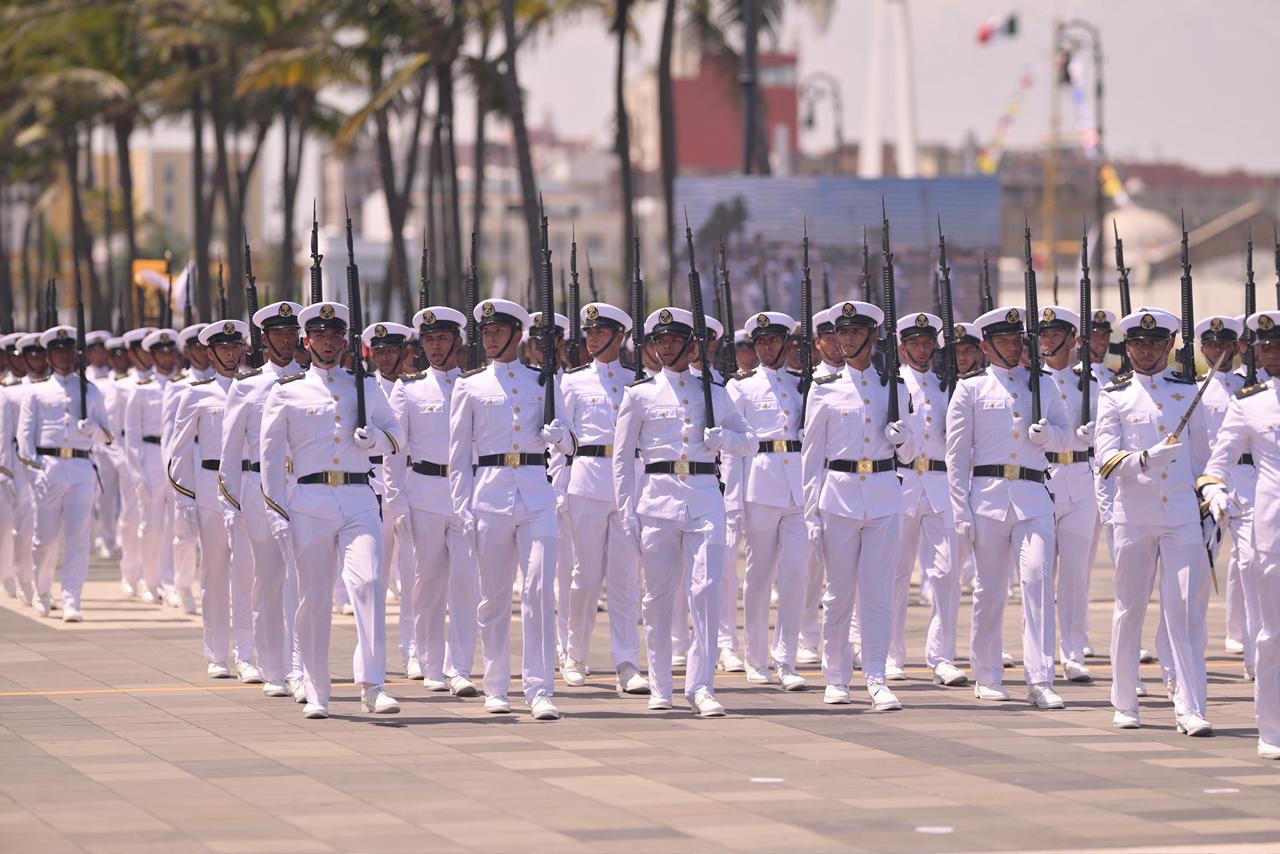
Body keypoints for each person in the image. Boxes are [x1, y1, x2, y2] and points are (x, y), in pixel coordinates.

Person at [261, 301, 404, 719]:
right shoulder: (286, 391)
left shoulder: (366, 386)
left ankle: (373, 685)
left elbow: (397, 435)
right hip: (310, 500)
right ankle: (316, 689)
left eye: (334, 335)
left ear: (344, 341)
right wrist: (276, 512)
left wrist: (375, 440)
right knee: (313, 597)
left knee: (370, 583)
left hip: (359, 496)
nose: (327, 342)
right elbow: (269, 457)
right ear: (306, 342)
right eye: (319, 335)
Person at [613, 307, 755, 716]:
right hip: (657, 501)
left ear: (692, 347)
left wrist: (723, 438)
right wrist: (627, 511)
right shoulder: (639, 394)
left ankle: (701, 686)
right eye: (661, 341)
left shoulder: (715, 392)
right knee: (657, 598)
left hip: (705, 496)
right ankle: (661, 686)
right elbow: (622, 459)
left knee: (706, 591)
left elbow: (750, 440)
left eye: (675, 340)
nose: (667, 347)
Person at [945, 306, 1076, 709]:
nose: (1012, 347)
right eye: (1003, 340)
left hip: (1033, 497)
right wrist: (960, 511)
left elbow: (1068, 437)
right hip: (986, 498)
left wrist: (1048, 436)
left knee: (1038, 582)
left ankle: (1040, 679)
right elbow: (957, 457)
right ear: (986, 346)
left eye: (1016, 340)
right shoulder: (970, 388)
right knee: (990, 590)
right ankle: (987, 674)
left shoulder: (1043, 385)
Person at [448, 298, 573, 721]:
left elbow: (572, 443)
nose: (490, 338)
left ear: (518, 335)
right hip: (490, 493)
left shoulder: (543, 380)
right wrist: (462, 506)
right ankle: (496, 685)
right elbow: (458, 454)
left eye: (499, 331)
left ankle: (540, 689)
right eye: (486, 332)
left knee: (539, 590)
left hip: (536, 493)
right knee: (494, 596)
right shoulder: (470, 385)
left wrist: (559, 435)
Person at [1095, 309, 1213, 734]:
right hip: (1135, 515)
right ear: (1127, 348)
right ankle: (1125, 700)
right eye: (1137, 344)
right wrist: (1144, 458)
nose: (1145, 351)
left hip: (1181, 515)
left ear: (1169, 346)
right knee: (1129, 609)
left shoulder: (1188, 391)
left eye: (1154, 344)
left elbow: (1202, 459)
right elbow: (1105, 460)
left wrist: (1208, 505)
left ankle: (1190, 705)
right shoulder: (1114, 395)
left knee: (1184, 612)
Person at [801, 300, 914, 710]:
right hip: (839, 496)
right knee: (838, 594)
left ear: (873, 336)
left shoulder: (895, 387)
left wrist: (902, 437)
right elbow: (811, 456)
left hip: (883, 494)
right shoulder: (823, 389)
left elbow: (910, 454)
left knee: (878, 594)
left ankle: (877, 678)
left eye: (854, 333)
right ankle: (837, 677)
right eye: (842, 333)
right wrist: (810, 514)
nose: (846, 340)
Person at [385, 306, 480, 698]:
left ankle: (461, 667)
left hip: (467, 493)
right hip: (424, 492)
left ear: (458, 341)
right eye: (429, 340)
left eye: (442, 339)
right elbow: (394, 451)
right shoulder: (408, 388)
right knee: (427, 584)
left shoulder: (475, 385)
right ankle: (431, 664)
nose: (435, 347)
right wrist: (397, 503)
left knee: (466, 584)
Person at [557, 301, 648, 695]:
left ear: (619, 336)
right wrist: (558, 488)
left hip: (629, 485)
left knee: (626, 579)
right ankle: (575, 655)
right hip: (587, 482)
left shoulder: (638, 381)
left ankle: (627, 662)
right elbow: (561, 441)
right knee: (586, 576)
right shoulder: (573, 381)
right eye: (589, 332)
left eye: (600, 332)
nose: (592, 338)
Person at [1201, 309, 1280, 759]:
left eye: (1278, 346)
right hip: (1271, 529)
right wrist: (1214, 492)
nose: (1271, 354)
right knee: (1272, 633)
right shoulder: (1248, 404)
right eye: (1265, 347)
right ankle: (1271, 728)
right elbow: (1217, 464)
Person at [219, 301, 305, 700]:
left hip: (305, 487)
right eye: (277, 334)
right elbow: (229, 452)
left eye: (290, 333)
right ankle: (273, 667)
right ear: (264, 339)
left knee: (304, 582)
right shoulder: (247, 385)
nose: (285, 340)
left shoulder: (311, 380)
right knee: (269, 579)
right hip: (260, 490)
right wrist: (230, 505)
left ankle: (299, 666)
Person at [171, 320, 261, 682]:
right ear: (210, 353)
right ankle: (217, 653)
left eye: (235, 347)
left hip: (249, 482)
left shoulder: (255, 387)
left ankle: (247, 653)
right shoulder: (196, 393)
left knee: (248, 571)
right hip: (210, 484)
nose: (230, 354)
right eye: (223, 348)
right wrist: (184, 497)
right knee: (214, 571)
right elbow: (179, 450)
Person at [725, 310, 808, 691]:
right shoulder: (740, 387)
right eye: (761, 342)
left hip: (799, 487)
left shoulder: (803, 383)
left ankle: (786, 659)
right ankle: (756, 658)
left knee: (796, 574)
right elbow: (732, 449)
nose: (767, 347)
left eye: (773, 340)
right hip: (759, 485)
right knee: (759, 576)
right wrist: (733, 501)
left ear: (786, 343)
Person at [889, 312, 966, 688]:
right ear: (902, 348)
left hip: (939, 483)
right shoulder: (891, 385)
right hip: (902, 483)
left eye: (927, 343)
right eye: (914, 344)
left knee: (946, 573)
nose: (921, 350)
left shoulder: (947, 386)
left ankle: (942, 656)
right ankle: (891, 654)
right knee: (896, 573)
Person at [17, 325, 114, 621]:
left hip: (81, 469)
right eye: (58, 351)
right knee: (45, 539)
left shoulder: (90, 390)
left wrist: (93, 429)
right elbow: (24, 438)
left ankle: (72, 599)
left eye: (68, 350)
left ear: (76, 354)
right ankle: (43, 590)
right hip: (49, 468)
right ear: (48, 355)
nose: (64, 356)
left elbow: (108, 437)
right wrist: (35, 473)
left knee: (78, 538)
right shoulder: (36, 392)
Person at [1036, 306, 1100, 684]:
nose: (1047, 340)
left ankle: (1073, 652)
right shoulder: (1032, 381)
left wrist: (1095, 435)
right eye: (1043, 334)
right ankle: (1041, 654)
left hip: (1080, 480)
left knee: (1075, 575)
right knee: (1040, 575)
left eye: (1054, 334)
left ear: (1073, 339)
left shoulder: (1091, 383)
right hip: (1042, 481)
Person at [1192, 316, 1256, 679]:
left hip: (1249, 482)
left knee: (1252, 568)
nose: (1218, 350)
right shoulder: (1192, 390)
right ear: (1203, 349)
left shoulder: (1253, 388)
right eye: (1212, 345)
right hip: (1209, 485)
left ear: (1237, 347)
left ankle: (1254, 655)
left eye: (1225, 344)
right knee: (1200, 569)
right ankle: (1192, 652)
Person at [362, 321, 417, 676]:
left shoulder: (414, 388)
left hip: (412, 486)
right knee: (375, 578)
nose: (385, 358)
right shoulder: (364, 390)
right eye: (379, 352)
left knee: (413, 577)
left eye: (391, 351)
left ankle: (412, 650)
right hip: (373, 489)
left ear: (403, 353)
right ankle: (375, 653)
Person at [123, 328, 182, 606]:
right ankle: (150, 581)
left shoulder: (184, 386)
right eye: (162, 354)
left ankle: (170, 584)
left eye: (171, 353)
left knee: (175, 527)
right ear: (152, 356)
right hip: (149, 457)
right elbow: (132, 436)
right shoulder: (141, 389)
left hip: (177, 458)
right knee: (151, 527)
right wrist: (137, 473)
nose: (167, 359)